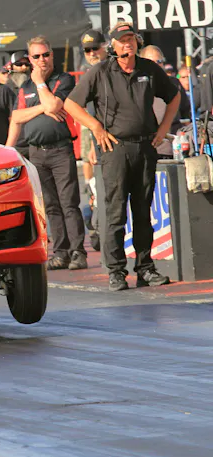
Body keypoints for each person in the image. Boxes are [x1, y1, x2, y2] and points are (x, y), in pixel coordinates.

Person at [64, 22, 181, 291]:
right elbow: (70, 103)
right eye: (122, 40)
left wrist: (163, 128)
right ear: (113, 46)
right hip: (114, 148)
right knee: (115, 213)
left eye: (131, 39)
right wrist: (95, 127)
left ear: (137, 42)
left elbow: (174, 96)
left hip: (145, 147)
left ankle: (145, 268)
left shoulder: (149, 69)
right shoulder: (100, 71)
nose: (127, 44)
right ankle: (116, 271)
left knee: (143, 212)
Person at [5, 35, 87, 271]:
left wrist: (41, 84)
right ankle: (60, 253)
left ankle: (78, 252)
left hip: (60, 149)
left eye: (46, 54)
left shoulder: (63, 79)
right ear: (30, 59)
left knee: (69, 203)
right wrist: (41, 107)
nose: (42, 59)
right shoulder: (25, 87)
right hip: (36, 152)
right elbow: (17, 117)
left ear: (52, 55)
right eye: (37, 56)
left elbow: (54, 106)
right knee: (50, 206)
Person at [78, 30, 109, 186]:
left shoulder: (114, 67)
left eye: (95, 48)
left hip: (117, 137)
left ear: (105, 46)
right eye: (87, 50)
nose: (92, 54)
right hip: (99, 139)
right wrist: (92, 143)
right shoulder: (89, 74)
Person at [5, 52, 32, 158]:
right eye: (19, 64)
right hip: (16, 144)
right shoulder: (5, 90)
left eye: (26, 64)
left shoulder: (37, 86)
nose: (23, 67)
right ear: (11, 67)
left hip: (35, 143)